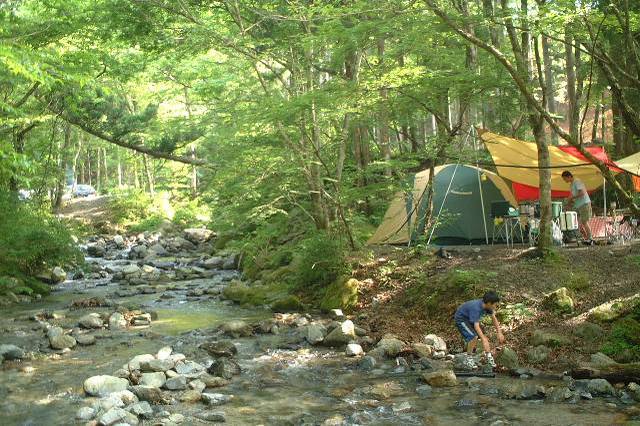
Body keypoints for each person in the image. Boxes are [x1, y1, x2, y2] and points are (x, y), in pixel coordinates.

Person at [454, 291, 505, 366]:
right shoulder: (476, 308)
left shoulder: (488, 306)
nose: (495, 307)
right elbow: (476, 325)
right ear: (489, 303)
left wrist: (499, 332)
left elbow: (494, 318)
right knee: (473, 337)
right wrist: (483, 338)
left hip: (470, 318)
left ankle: (488, 357)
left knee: (483, 335)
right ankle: (468, 359)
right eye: (495, 305)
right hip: (461, 319)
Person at [561, 170, 593, 245]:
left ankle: (590, 239)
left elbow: (582, 192)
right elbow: (571, 196)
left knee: (584, 222)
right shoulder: (571, 185)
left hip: (584, 204)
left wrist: (572, 198)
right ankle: (585, 238)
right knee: (579, 223)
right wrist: (567, 204)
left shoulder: (577, 181)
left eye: (565, 179)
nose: (564, 180)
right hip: (578, 205)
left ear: (569, 176)